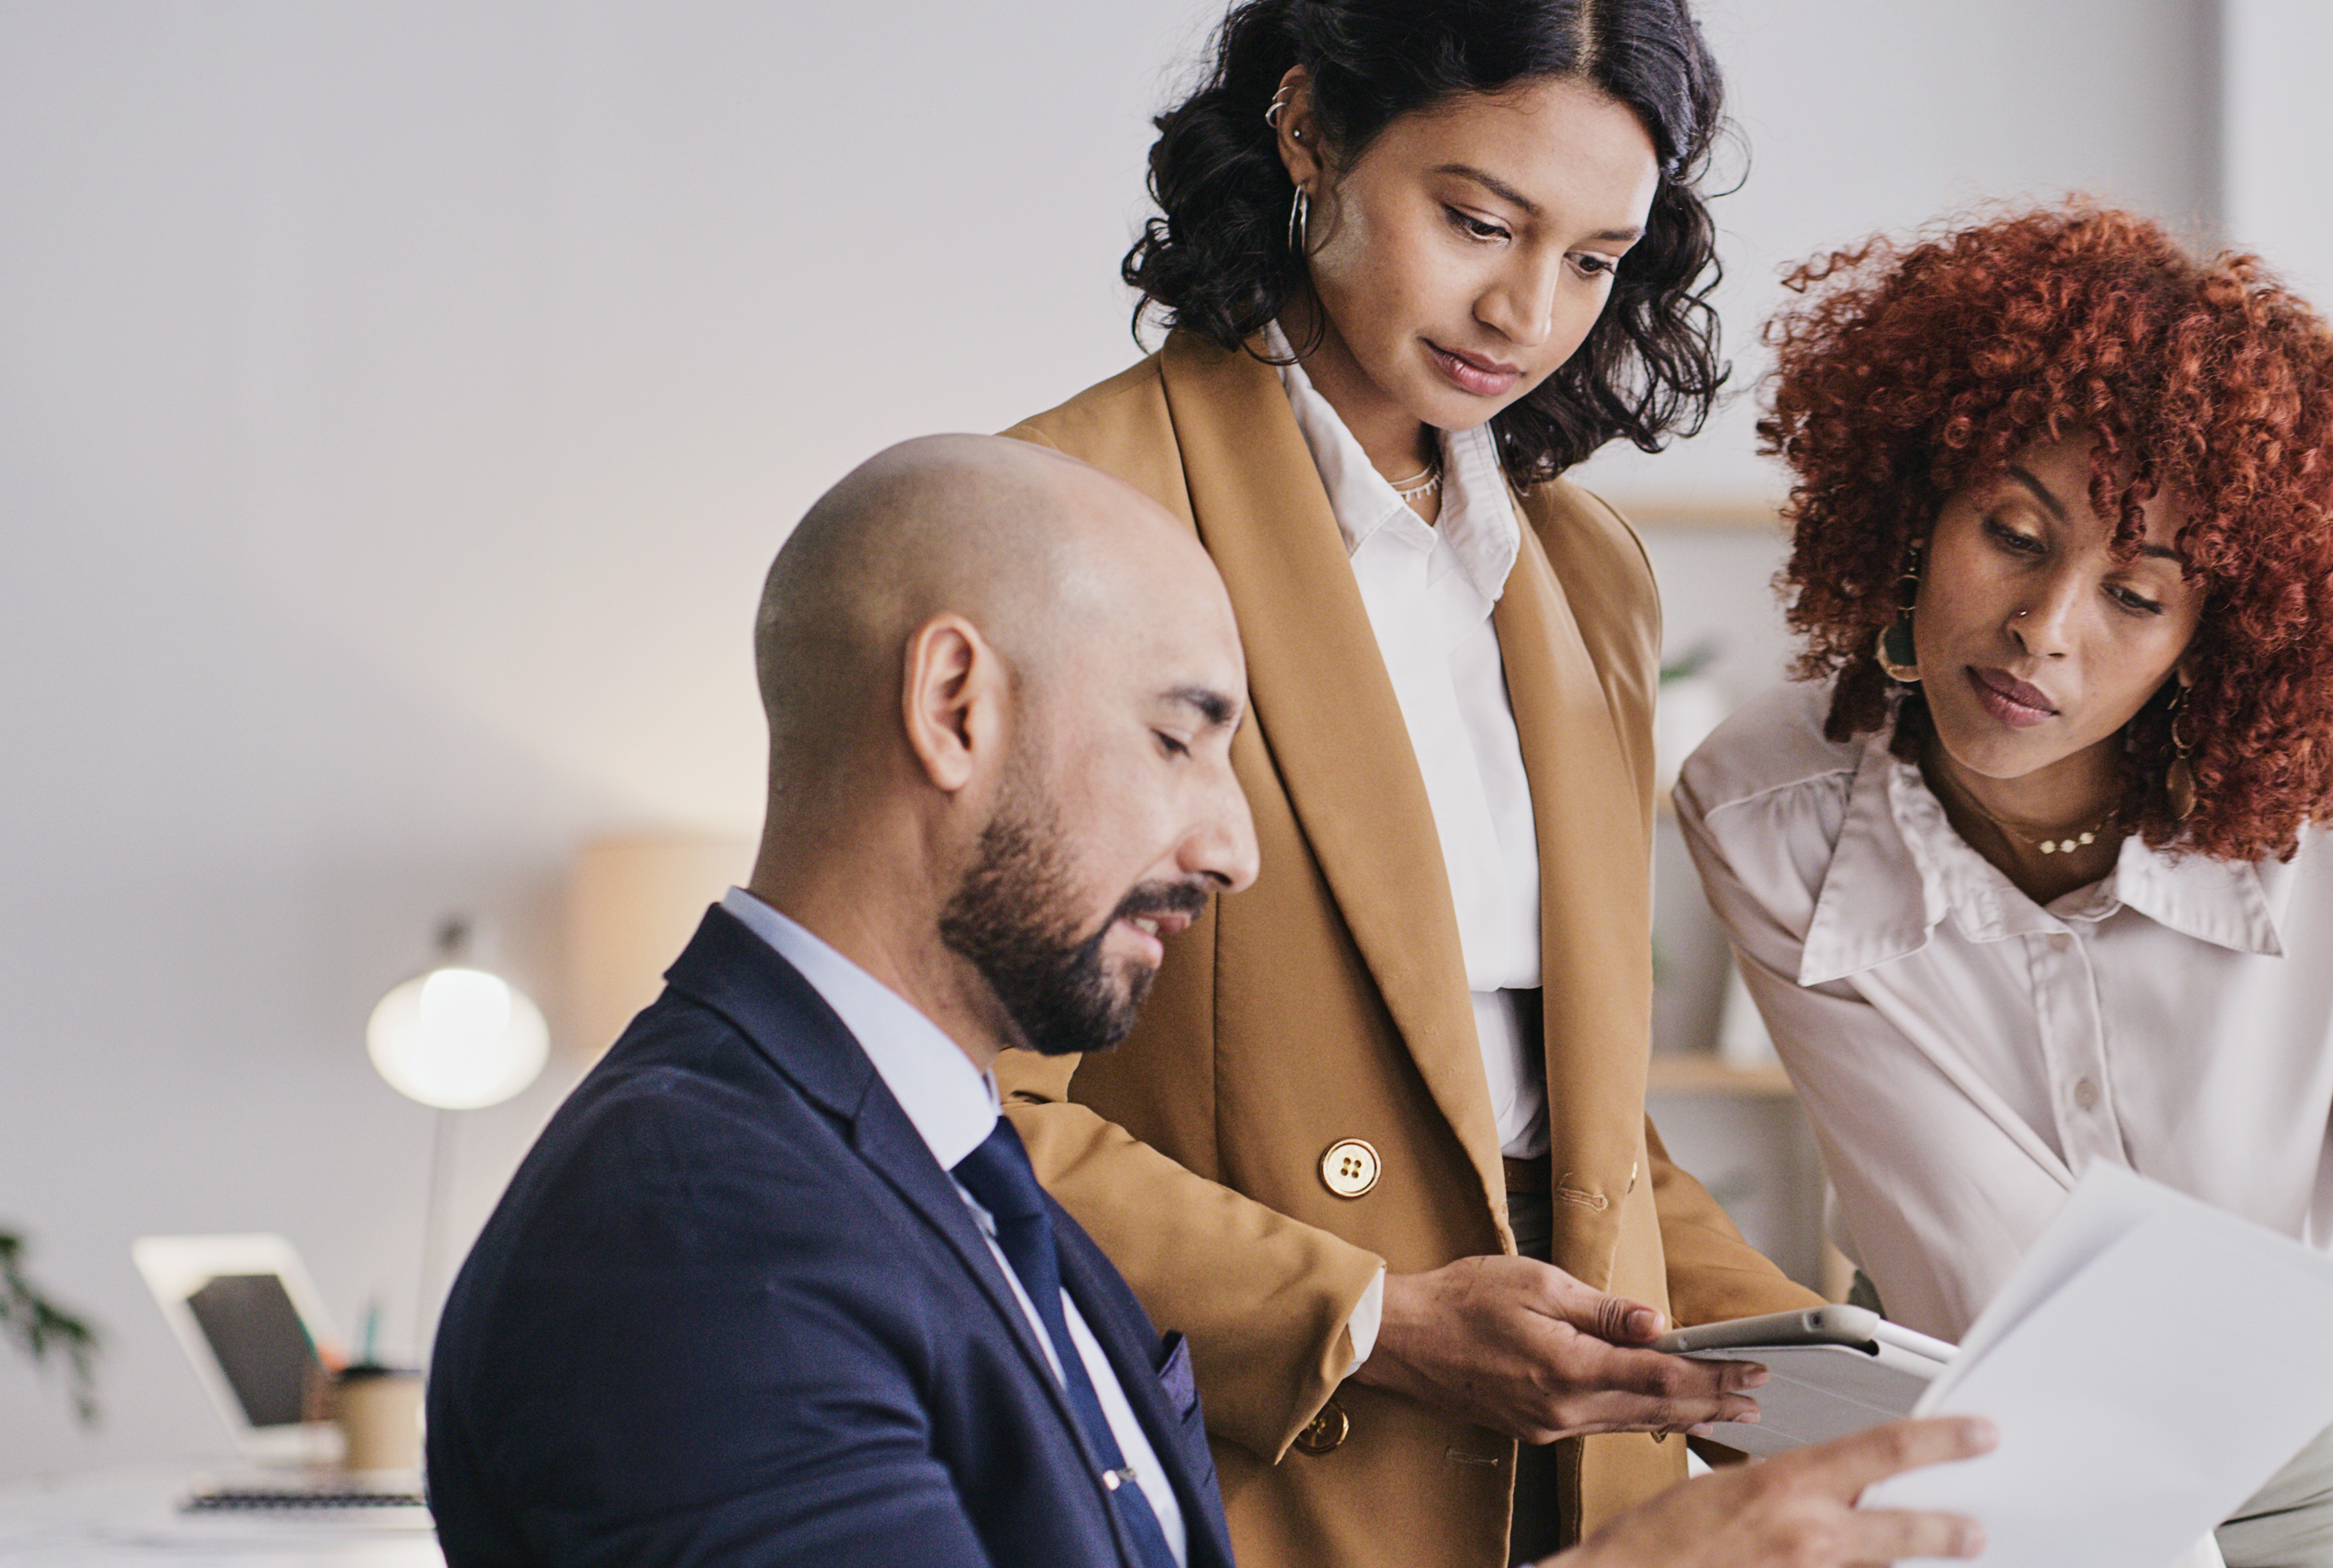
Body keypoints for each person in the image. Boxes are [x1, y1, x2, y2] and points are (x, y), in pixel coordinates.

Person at [424, 434, 1993, 1568]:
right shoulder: (703, 1225)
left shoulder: (953, 1174)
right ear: (953, 706)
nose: (1231, 845)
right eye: (1182, 741)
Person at [989, 3, 1820, 1565]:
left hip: (1583, 1492)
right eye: (1476, 220)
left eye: (1591, 260)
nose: (1523, 309)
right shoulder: (1069, 519)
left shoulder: (1585, 572)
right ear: (1306, 129)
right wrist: (1366, 1316)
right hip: (1264, 1471)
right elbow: (946, 1110)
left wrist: (1838, 1378)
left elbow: (1585, 1137)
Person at [1673, 208, 2333, 1568]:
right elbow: (1971, 1251)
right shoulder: (1763, 813)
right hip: (1976, 1453)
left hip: (2309, 1469)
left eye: (2135, 594)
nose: (2041, 631)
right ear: (1913, 503)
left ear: (2215, 642)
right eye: (2011, 531)